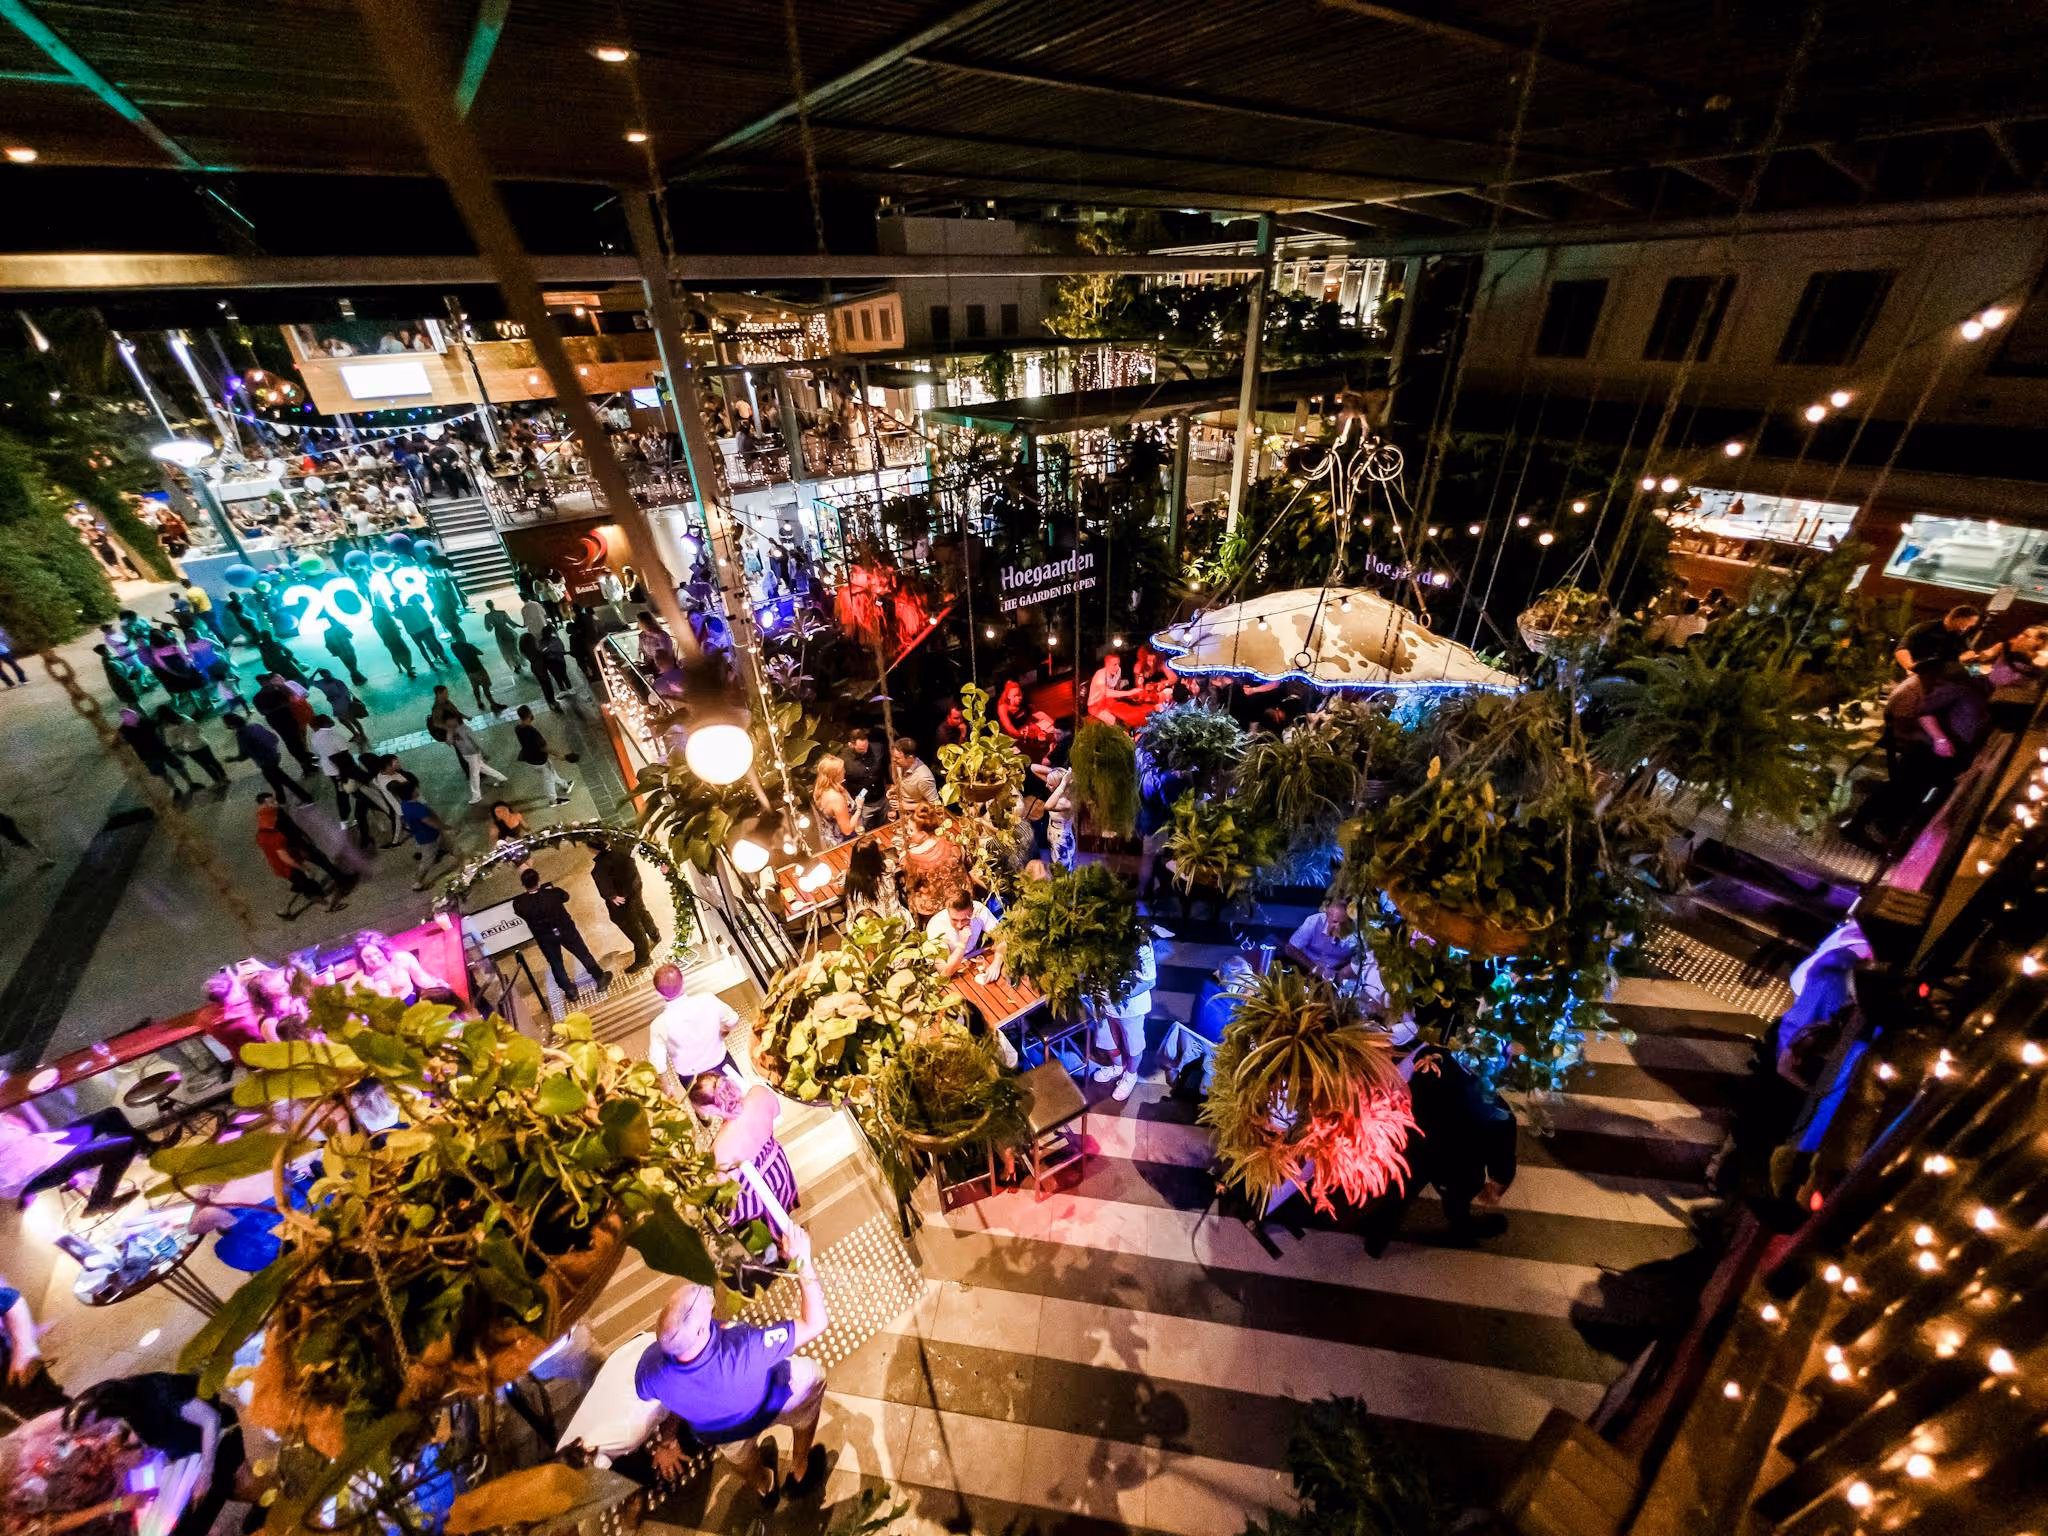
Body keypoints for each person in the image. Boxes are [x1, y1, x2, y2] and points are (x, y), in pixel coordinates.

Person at [634, 1238, 831, 1504]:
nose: (703, 1291)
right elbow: (815, 1322)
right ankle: (799, 1468)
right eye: (699, 1298)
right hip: (771, 1403)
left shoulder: (650, 1370)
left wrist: (668, 1435)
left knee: (741, 1459)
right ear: (702, 1331)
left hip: (722, 1433)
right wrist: (803, 1260)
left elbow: (657, 1397)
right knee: (814, 1377)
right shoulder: (744, 1349)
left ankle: (765, 1485)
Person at [63, 1370, 243, 1536]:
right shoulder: (126, 1404)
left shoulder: (160, 1392)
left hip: (219, 1438)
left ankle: (261, 1502)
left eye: (92, 1429)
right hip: (188, 1451)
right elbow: (133, 1430)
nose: (96, 1436)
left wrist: (205, 1473)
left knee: (224, 1490)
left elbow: (210, 1420)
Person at [1398, 1043, 1517, 1247]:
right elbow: (1502, 1156)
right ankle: (1460, 1228)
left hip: (1419, 1153)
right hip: (1461, 1172)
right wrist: (1499, 1184)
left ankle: (1378, 1232)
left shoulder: (1433, 1064)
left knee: (1403, 1193)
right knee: (1456, 1204)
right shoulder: (1498, 1112)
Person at [0, 1103, 141, 1213]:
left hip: (47, 1145)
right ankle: (100, 1203)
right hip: (40, 1168)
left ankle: (149, 1150)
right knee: (127, 1145)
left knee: (110, 1115)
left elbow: (19, 1124)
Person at [512, 866, 611, 997]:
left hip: (545, 937)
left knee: (555, 962)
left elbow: (520, 912)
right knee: (582, 953)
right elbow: (566, 897)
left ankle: (569, 990)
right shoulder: (553, 893)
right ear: (539, 880)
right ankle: (600, 978)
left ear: (523, 885)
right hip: (566, 930)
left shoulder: (519, 903)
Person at [646, 963, 742, 1093]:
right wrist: (723, 1032)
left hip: (692, 1078)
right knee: (738, 1097)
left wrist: (666, 1088)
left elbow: (658, 1065)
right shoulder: (708, 1000)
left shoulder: (658, 1025)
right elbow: (733, 1020)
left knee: (706, 1112)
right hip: (721, 1062)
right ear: (683, 982)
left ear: (658, 993)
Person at [1092, 919, 1158, 1102]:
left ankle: (1130, 1075)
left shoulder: (1138, 939)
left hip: (1129, 1007)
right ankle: (1117, 1067)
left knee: (1132, 1044)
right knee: (1107, 1040)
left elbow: (1150, 980)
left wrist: (1120, 996)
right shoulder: (1095, 929)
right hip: (1102, 1001)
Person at [256, 792, 348, 918]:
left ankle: (285, 909)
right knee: (311, 887)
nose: (276, 803)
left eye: (275, 800)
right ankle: (327, 906)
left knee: (301, 883)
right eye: (272, 802)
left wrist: (305, 838)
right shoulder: (273, 828)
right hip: (292, 856)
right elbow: (283, 856)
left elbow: (291, 828)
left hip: (291, 856)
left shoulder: (271, 816)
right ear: (263, 805)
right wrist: (304, 867)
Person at [591, 841, 658, 971]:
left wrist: (611, 896)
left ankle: (643, 958)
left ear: (593, 849)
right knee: (641, 911)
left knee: (632, 927)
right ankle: (654, 934)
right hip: (635, 889)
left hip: (622, 899)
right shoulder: (622, 848)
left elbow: (604, 885)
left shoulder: (600, 868)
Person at [223, 710, 311, 803]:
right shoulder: (255, 725)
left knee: (285, 781)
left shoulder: (242, 735)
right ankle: (282, 802)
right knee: (276, 783)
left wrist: (232, 759)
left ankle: (306, 799)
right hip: (274, 756)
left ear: (231, 725)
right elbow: (274, 738)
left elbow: (243, 755)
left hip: (266, 763)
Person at [900, 802, 969, 920]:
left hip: (933, 908)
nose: (908, 834)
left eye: (911, 830)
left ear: (923, 834)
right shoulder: (950, 841)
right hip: (961, 896)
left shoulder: (910, 859)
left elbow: (911, 885)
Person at [118, 705, 200, 796]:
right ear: (126, 720)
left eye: (135, 716)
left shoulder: (144, 721)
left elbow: (159, 728)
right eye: (133, 717)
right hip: (148, 756)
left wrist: (165, 741)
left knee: (178, 766)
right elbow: (124, 746)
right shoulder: (123, 731)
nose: (136, 718)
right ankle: (175, 789)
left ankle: (190, 783)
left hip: (162, 749)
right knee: (162, 773)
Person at [926, 890, 1003, 982]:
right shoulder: (936, 927)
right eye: (954, 920)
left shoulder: (979, 911)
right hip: (945, 975)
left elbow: (1003, 938)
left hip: (972, 960)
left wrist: (996, 964)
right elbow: (944, 972)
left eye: (964, 919)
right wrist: (962, 944)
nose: (959, 925)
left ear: (973, 911)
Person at [391, 782, 457, 889]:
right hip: (428, 838)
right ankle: (418, 883)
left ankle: (459, 856)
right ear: (412, 793)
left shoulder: (405, 804)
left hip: (427, 835)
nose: (417, 789)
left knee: (448, 844)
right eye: (415, 788)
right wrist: (446, 827)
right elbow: (430, 822)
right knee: (427, 862)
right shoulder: (417, 808)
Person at [157, 704, 228, 794]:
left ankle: (218, 781)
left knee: (205, 765)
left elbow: (171, 742)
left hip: (191, 749)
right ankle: (224, 777)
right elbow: (197, 728)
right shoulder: (183, 717)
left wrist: (180, 745)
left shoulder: (168, 727)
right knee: (213, 760)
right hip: (202, 742)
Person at [253, 672, 316, 772]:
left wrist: (281, 686)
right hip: (280, 724)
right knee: (292, 743)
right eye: (262, 682)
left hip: (290, 719)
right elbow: (263, 711)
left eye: (266, 681)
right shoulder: (258, 697)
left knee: (299, 741)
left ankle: (307, 760)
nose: (265, 683)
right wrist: (279, 706)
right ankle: (304, 764)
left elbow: (291, 697)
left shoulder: (278, 691)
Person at [1895, 604, 1983, 674]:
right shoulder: (1924, 628)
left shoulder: (1960, 636)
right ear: (1959, 618)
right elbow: (1901, 650)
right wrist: (1911, 669)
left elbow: (1970, 654)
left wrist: (1975, 673)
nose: (1971, 626)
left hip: (1943, 676)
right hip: (1920, 674)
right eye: (1970, 622)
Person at [515, 705, 574, 804]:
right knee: (549, 780)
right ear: (529, 714)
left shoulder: (518, 728)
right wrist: (560, 756)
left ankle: (565, 785)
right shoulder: (532, 732)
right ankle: (554, 800)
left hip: (529, 758)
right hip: (540, 760)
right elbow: (544, 748)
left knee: (551, 773)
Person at [841, 839, 903, 922]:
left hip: (865, 930)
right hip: (895, 923)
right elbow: (892, 862)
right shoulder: (888, 867)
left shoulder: (850, 878)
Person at [309, 668, 370, 747]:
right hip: (336, 706)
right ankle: (356, 734)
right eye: (325, 675)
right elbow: (309, 682)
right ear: (322, 676)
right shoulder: (321, 683)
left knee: (352, 720)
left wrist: (342, 702)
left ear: (330, 673)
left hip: (344, 705)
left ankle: (362, 735)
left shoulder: (337, 682)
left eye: (328, 673)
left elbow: (346, 693)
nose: (327, 676)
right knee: (343, 721)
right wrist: (315, 672)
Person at [810, 754, 858, 847]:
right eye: (841, 770)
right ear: (835, 775)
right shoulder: (836, 798)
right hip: (843, 841)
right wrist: (859, 809)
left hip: (829, 837)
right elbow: (847, 830)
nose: (844, 771)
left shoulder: (819, 789)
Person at [1085, 650, 1141, 727]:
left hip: (1109, 700)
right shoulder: (1100, 674)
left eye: (1118, 664)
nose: (1118, 667)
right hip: (1095, 705)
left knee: (1127, 712)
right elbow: (1107, 692)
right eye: (1115, 664)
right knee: (1112, 720)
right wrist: (1129, 692)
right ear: (1107, 664)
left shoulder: (1118, 670)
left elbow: (1117, 685)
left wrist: (1126, 697)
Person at [449, 631, 501, 711]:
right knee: (485, 687)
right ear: (460, 635)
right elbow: (480, 652)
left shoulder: (453, 646)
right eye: (462, 633)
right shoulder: (469, 646)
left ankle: (479, 702)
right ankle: (492, 703)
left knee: (475, 687)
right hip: (478, 669)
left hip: (468, 671)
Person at [369, 599, 417, 680]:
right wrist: (390, 634)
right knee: (403, 652)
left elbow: (388, 627)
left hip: (392, 638)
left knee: (397, 653)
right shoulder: (381, 619)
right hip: (392, 638)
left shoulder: (379, 619)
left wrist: (396, 628)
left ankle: (403, 668)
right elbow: (382, 631)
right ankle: (408, 670)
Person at [888, 734, 940, 810]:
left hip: (917, 816)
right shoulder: (900, 765)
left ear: (910, 758)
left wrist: (906, 806)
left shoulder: (924, 777)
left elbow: (934, 805)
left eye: (897, 758)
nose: (893, 760)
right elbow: (903, 782)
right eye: (893, 756)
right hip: (903, 811)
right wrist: (895, 789)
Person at [400, 594, 449, 669]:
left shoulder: (407, 609)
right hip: (425, 627)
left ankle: (434, 660)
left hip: (421, 629)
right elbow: (425, 617)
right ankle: (442, 657)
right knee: (433, 642)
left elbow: (401, 618)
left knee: (426, 645)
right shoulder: (417, 607)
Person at [483, 598, 527, 675]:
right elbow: (510, 622)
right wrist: (520, 626)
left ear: (487, 606)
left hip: (499, 634)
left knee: (507, 651)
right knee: (515, 648)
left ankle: (516, 666)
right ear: (493, 604)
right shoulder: (502, 612)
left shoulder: (487, 616)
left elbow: (488, 629)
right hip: (508, 631)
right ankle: (519, 663)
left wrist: (493, 625)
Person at [320, 619, 367, 686]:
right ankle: (358, 680)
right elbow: (350, 635)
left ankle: (358, 679)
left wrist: (333, 652)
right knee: (353, 665)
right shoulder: (340, 627)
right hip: (348, 649)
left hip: (340, 652)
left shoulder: (326, 632)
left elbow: (327, 644)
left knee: (350, 666)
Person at [537, 627, 576, 705]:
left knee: (563, 675)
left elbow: (560, 648)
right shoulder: (542, 642)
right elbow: (541, 651)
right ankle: (562, 690)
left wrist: (549, 650)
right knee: (556, 677)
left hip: (559, 660)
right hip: (550, 663)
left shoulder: (555, 639)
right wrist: (549, 650)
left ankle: (570, 688)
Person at [96, 642, 140, 708]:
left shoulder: (109, 660)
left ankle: (137, 716)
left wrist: (132, 652)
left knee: (132, 702)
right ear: (105, 651)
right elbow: (120, 675)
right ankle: (141, 716)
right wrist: (130, 677)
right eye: (107, 649)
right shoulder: (110, 663)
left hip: (122, 686)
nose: (110, 650)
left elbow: (120, 659)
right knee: (133, 701)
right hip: (123, 686)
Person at [0, 623, 27, 688]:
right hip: (4, 651)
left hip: (3, 651)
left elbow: (2, 636)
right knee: (13, 664)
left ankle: (16, 682)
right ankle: (20, 681)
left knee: (12, 665)